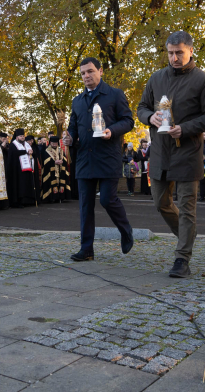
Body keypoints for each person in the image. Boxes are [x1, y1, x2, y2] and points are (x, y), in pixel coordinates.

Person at [137, 31, 205, 277]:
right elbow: (142, 107)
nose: (174, 58)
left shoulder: (204, 80)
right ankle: (188, 233)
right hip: (161, 152)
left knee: (187, 208)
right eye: (171, 53)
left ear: (191, 51)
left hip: (188, 152)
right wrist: (148, 117)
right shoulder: (156, 78)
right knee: (160, 203)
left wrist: (185, 129)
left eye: (179, 53)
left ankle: (182, 257)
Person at [64, 56, 135, 261]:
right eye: (83, 73)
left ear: (100, 71)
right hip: (84, 158)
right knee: (85, 204)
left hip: (107, 156)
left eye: (90, 71)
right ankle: (87, 249)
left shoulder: (114, 95)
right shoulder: (77, 101)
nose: (86, 76)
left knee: (106, 199)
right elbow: (73, 128)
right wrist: (68, 138)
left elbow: (128, 121)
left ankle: (126, 230)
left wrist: (111, 131)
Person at [6, 129, 37, 208]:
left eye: (23, 136)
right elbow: (14, 154)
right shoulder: (13, 144)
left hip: (27, 169)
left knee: (27, 184)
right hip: (17, 170)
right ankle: (18, 202)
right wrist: (26, 152)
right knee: (19, 185)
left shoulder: (26, 144)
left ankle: (28, 200)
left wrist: (31, 152)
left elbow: (32, 152)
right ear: (17, 137)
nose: (22, 138)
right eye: (20, 136)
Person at [41, 136, 70, 203]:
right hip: (51, 171)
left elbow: (65, 158)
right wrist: (54, 162)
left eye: (56, 143)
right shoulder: (46, 151)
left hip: (60, 170)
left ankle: (60, 197)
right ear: (50, 143)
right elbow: (44, 161)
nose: (54, 144)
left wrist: (62, 161)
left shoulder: (60, 150)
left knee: (61, 182)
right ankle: (52, 197)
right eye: (53, 143)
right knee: (52, 183)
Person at [26, 135, 43, 204]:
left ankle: (37, 198)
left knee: (36, 182)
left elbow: (37, 157)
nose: (30, 142)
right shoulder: (24, 147)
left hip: (35, 167)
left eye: (31, 141)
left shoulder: (35, 147)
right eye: (28, 141)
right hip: (27, 167)